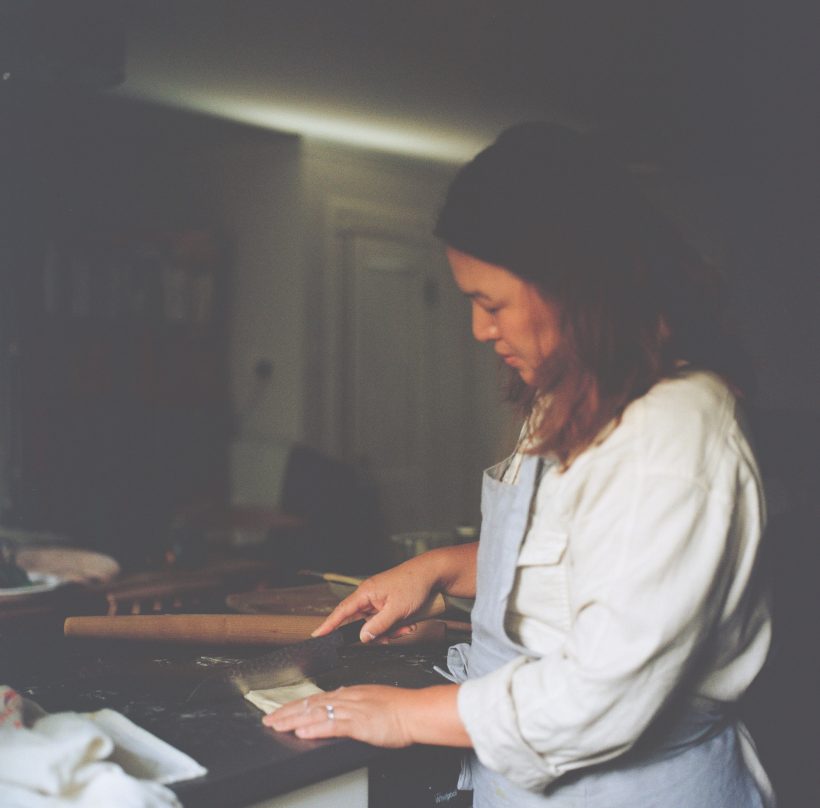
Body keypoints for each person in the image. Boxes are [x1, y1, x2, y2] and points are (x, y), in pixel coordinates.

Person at [265, 123, 775, 807]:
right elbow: (574, 557)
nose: (479, 330)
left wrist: (404, 713)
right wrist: (442, 566)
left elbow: (603, 693)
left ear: (576, 286)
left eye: (490, 303)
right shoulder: (573, 389)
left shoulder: (672, 437)